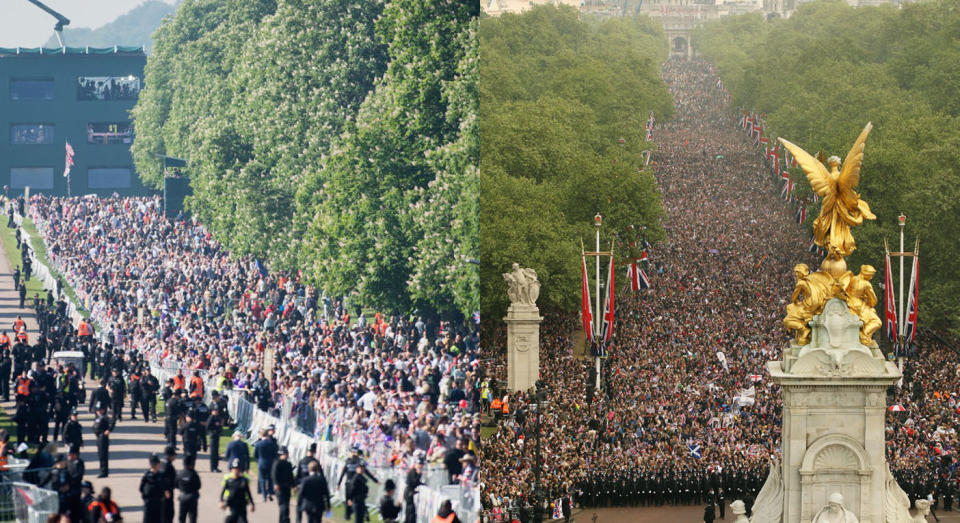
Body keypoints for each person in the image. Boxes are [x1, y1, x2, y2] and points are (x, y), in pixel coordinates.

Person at [220, 458, 255, 523]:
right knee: (229, 520)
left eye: (237, 469)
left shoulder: (244, 480)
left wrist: (252, 504)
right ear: (231, 469)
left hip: (242, 505)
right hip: (230, 504)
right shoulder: (228, 480)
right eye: (234, 469)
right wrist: (221, 501)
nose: (236, 471)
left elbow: (248, 492)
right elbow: (223, 491)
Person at [295, 443, 320, 523]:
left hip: (302, 485)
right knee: (311, 507)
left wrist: (296, 485)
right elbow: (321, 476)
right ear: (314, 452)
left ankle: (298, 520)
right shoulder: (315, 462)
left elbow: (298, 475)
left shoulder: (302, 461)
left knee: (299, 505)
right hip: (313, 488)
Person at [141, 454, 167, 523]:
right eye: (159, 464)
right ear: (156, 464)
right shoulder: (148, 476)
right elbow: (141, 488)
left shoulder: (148, 475)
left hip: (157, 502)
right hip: (150, 502)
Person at [272, 446, 295, 523]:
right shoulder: (277, 463)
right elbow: (274, 474)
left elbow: (291, 476)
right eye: (285, 454)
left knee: (285, 505)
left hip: (287, 487)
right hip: (280, 487)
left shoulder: (288, 464)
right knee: (283, 505)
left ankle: (282, 521)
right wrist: (275, 484)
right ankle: (286, 520)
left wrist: (294, 486)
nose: (287, 455)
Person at [176, 454, 201, 523]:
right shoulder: (194, 474)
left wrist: (182, 488)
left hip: (183, 496)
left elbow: (176, 484)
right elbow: (198, 486)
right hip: (192, 497)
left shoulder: (180, 473)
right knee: (192, 517)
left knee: (182, 517)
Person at [92, 405, 112, 478]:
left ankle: (104, 471)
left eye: (100, 410)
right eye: (97, 410)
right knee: (100, 455)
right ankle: (102, 470)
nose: (98, 411)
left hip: (103, 437)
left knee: (103, 455)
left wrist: (109, 430)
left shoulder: (105, 417)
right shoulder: (97, 418)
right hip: (98, 437)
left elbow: (112, 421)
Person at [162, 446, 177, 523]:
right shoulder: (168, 467)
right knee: (168, 514)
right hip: (167, 493)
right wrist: (165, 490)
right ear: (169, 456)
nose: (175, 457)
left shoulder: (162, 465)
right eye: (174, 455)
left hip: (164, 493)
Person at [207, 406, 224, 472]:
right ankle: (213, 467)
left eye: (217, 410)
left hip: (217, 436)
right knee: (213, 452)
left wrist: (220, 428)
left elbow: (220, 427)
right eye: (215, 410)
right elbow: (208, 427)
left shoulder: (218, 418)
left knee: (216, 452)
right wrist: (213, 431)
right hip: (213, 436)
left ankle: (216, 467)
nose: (216, 411)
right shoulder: (211, 418)